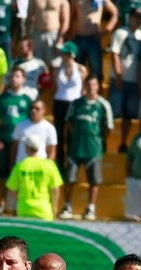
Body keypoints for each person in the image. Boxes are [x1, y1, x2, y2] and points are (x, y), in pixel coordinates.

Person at [58, 73, 111, 220]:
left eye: (94, 84)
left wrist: (99, 141)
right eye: (88, 84)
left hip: (93, 149)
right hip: (75, 148)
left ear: (98, 86)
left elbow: (108, 128)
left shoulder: (103, 105)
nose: (91, 87)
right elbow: (68, 123)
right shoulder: (76, 103)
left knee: (94, 180)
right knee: (69, 179)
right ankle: (67, 206)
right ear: (84, 86)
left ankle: (90, 208)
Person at [0, 67, 33, 214]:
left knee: (18, 172)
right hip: (4, 140)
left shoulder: (27, 100)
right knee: (2, 174)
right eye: (13, 76)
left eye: (18, 76)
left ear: (23, 79)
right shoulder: (2, 98)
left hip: (21, 143)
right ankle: (2, 202)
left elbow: (32, 122)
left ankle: (16, 205)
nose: (15, 78)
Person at [109, 8, 141, 152]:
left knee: (129, 115)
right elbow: (114, 54)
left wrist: (140, 80)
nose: (138, 20)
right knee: (113, 112)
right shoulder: (120, 32)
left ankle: (123, 142)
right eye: (136, 17)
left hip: (134, 80)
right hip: (120, 78)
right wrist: (118, 75)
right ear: (129, 17)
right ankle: (104, 141)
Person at [7, 133, 63, 219]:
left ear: (27, 148)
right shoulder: (49, 165)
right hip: (43, 210)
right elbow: (55, 190)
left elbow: (12, 188)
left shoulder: (20, 165)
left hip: (24, 209)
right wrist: (54, 208)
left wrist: (20, 199)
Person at [51, 41, 84, 172]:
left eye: (66, 53)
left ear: (72, 54)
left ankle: (71, 163)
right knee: (59, 134)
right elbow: (56, 87)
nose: (63, 55)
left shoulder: (81, 69)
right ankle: (60, 163)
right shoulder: (58, 69)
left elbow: (83, 89)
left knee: (71, 134)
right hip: (59, 102)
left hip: (74, 103)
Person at [71, 0, 117, 80]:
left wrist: (107, 29)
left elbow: (115, 13)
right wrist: (70, 34)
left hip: (93, 40)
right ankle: (80, 92)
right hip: (78, 38)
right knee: (78, 72)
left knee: (96, 73)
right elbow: (71, 16)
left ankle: (97, 92)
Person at [30, 0, 69, 66]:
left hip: (54, 34)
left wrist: (60, 36)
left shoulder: (62, 1)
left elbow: (66, 21)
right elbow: (29, 18)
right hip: (38, 33)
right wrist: (28, 37)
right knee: (38, 63)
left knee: (55, 64)